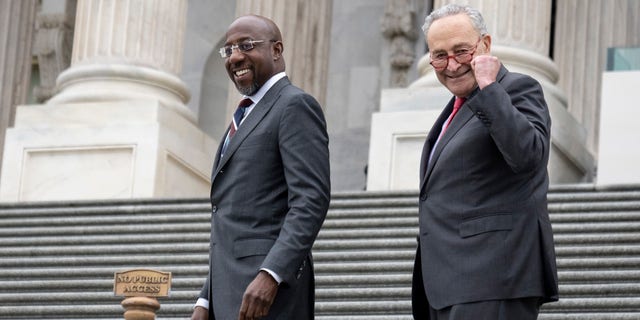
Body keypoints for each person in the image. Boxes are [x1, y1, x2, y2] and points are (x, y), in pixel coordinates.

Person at [412, 4, 559, 319]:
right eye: (439, 55)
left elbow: (529, 156)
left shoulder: (517, 89)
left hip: (493, 278)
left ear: (486, 46)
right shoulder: (455, 108)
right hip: (450, 284)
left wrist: (489, 87)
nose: (451, 66)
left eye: (461, 52)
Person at [191, 15, 330, 320]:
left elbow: (310, 200)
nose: (235, 56)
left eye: (246, 45)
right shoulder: (244, 117)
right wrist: (206, 299)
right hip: (228, 294)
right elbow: (232, 222)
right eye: (228, 50)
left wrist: (272, 273)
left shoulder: (294, 106)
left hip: (268, 295)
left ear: (277, 50)